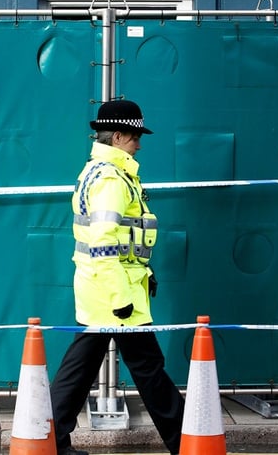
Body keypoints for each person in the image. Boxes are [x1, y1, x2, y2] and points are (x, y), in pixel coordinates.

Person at [50, 99, 185, 455]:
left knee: (80, 369)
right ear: (119, 136)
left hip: (103, 287)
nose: (139, 144)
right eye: (135, 136)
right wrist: (121, 297)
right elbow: (105, 243)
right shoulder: (111, 178)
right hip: (115, 293)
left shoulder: (97, 170)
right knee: (149, 370)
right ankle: (188, 444)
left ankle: (49, 441)